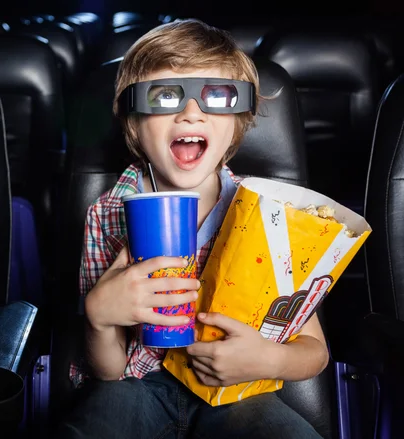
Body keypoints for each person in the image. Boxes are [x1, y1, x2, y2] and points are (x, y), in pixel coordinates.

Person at [57, 18, 328, 439]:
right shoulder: (107, 214)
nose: (190, 112)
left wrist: (268, 360)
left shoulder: (267, 216)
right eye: (165, 96)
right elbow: (107, 373)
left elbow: (315, 351)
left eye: (216, 96)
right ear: (135, 124)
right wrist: (99, 318)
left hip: (237, 389)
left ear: (238, 122)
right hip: (135, 386)